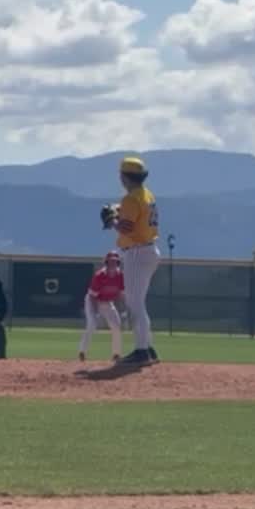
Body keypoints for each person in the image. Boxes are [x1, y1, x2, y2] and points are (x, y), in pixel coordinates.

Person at [111, 156, 162, 366]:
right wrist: (117, 212)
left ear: (125, 177)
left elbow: (126, 228)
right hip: (149, 249)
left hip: (137, 252)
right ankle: (148, 347)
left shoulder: (131, 199)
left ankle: (142, 352)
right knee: (138, 303)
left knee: (134, 304)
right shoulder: (147, 194)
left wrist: (111, 220)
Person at [78, 250, 127, 363]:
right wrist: (96, 313)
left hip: (107, 302)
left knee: (116, 326)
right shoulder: (100, 276)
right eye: (110, 262)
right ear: (106, 263)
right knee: (92, 324)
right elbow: (93, 296)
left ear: (118, 263)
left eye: (115, 262)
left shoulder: (120, 276)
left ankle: (116, 354)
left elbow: (121, 295)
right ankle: (82, 351)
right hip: (92, 301)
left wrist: (123, 310)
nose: (113, 264)